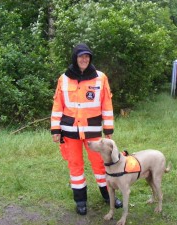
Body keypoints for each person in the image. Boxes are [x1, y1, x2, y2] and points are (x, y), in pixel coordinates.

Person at [50, 43, 122, 215]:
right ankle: (80, 201)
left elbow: (107, 104)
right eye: (81, 56)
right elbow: (58, 105)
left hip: (93, 131)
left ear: (90, 59)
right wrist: (55, 129)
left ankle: (109, 197)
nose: (84, 59)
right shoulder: (64, 78)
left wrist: (108, 127)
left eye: (87, 56)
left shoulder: (100, 77)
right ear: (75, 58)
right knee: (75, 166)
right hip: (69, 131)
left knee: (100, 164)